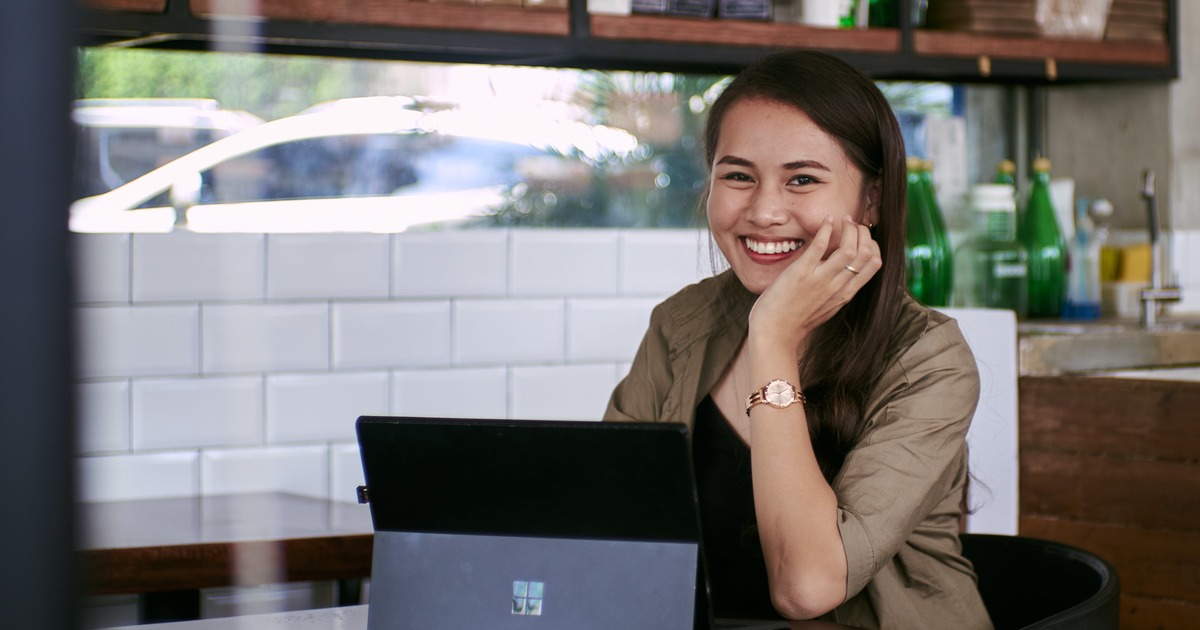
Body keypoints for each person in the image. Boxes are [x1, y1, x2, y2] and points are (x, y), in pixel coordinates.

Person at [604, 50, 992, 629]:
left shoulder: (930, 359)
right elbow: (606, 525)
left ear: (871, 200)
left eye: (803, 180)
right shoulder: (681, 323)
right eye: (738, 176)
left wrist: (773, 337)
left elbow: (805, 588)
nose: (764, 211)